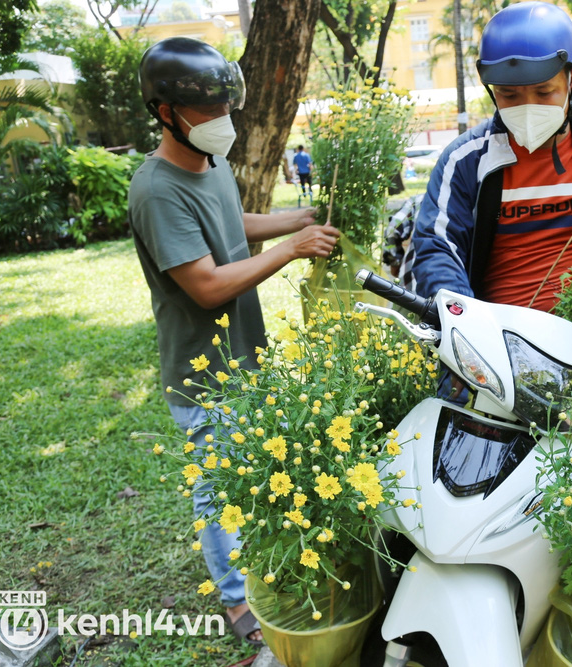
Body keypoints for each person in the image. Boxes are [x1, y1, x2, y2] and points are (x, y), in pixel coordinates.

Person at [130, 37, 339, 646]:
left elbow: (230, 224)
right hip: (204, 373)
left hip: (243, 357)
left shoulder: (210, 162)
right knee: (217, 489)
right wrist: (290, 250)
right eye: (209, 110)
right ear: (166, 112)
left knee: (252, 476)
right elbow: (206, 285)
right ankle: (238, 603)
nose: (224, 121)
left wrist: (292, 222)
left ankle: (263, 575)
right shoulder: (156, 189)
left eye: (227, 107)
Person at [402, 1, 572, 315]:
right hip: (494, 344)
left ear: (570, 79)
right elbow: (437, 246)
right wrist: (465, 321)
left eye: (544, 92)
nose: (527, 108)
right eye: (509, 95)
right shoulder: (465, 160)